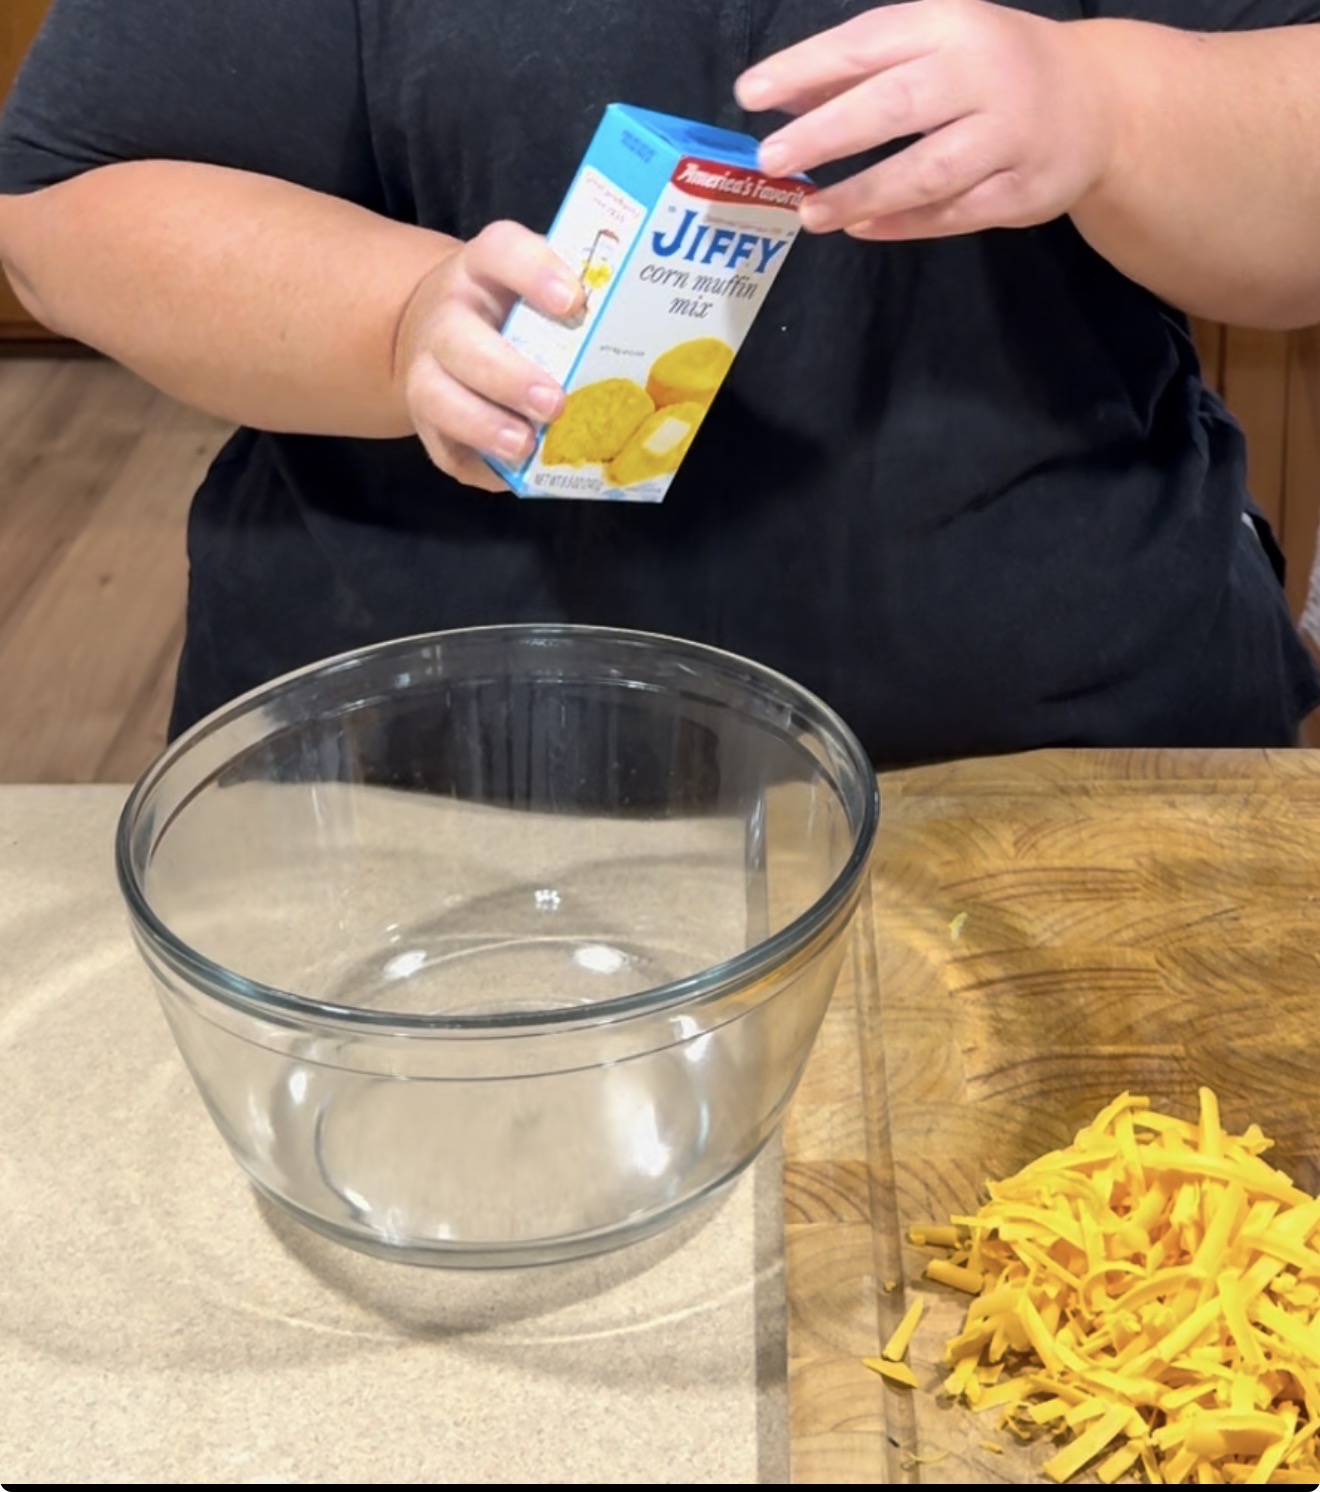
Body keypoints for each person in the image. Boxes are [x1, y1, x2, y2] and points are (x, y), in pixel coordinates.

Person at [1, 0, 1319, 767]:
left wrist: (1116, 104)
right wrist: (399, 319)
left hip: (1062, 765)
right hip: (424, 777)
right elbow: (66, 208)